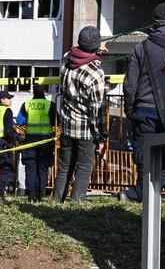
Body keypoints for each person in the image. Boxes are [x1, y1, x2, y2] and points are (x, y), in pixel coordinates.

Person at [119, 3, 165, 203]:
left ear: (154, 24)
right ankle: (145, 193)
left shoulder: (141, 48)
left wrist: (130, 110)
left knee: (145, 158)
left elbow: (129, 85)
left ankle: (140, 194)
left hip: (144, 111)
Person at [53, 26, 108, 202]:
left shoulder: (66, 59)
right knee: (84, 166)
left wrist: (96, 50)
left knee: (64, 166)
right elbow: (96, 110)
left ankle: (57, 201)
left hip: (67, 124)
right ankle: (77, 202)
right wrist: (101, 137)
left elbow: (79, 55)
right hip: (85, 129)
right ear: (96, 47)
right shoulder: (96, 74)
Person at [16, 84, 57, 202]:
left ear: (33, 92)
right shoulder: (50, 105)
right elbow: (57, 121)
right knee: (42, 169)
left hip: (30, 141)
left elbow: (19, 121)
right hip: (45, 141)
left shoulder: (27, 104)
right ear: (44, 92)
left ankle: (31, 196)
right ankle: (40, 196)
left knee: (30, 168)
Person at [0, 90, 20, 201]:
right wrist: (15, 138)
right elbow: (8, 131)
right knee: (4, 169)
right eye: (8, 98)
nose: (10, 100)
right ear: (2, 100)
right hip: (3, 144)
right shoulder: (7, 111)